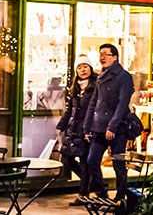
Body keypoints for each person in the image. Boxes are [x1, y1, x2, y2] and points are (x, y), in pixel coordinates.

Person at [81, 43, 133, 204]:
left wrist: (112, 126)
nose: (102, 57)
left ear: (115, 57)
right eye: (100, 54)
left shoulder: (123, 76)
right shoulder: (100, 76)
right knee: (92, 161)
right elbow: (94, 102)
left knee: (118, 163)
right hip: (98, 127)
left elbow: (122, 104)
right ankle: (101, 193)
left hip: (116, 128)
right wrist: (87, 127)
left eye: (106, 54)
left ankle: (120, 197)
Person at [56, 54, 97, 205]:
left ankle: (83, 193)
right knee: (67, 158)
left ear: (90, 68)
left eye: (85, 66)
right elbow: (70, 110)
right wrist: (61, 125)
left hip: (87, 130)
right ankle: (89, 182)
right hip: (72, 130)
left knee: (85, 161)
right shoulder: (75, 88)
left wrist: (91, 128)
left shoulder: (95, 87)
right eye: (79, 67)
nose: (82, 70)